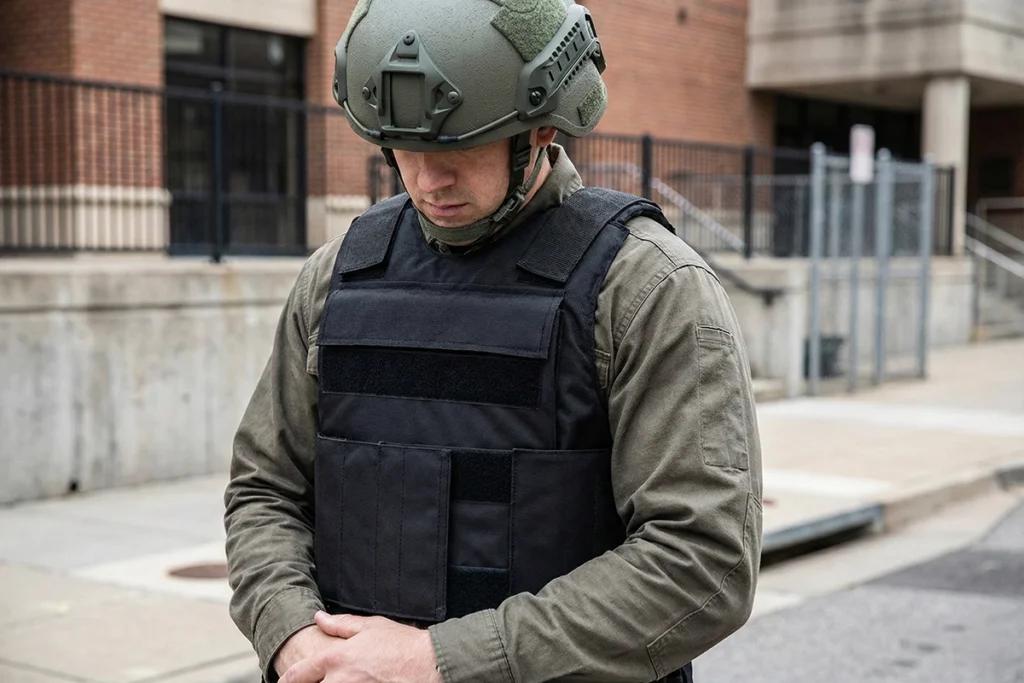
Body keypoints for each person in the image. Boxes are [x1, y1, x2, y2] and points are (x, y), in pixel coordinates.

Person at [223, 1, 763, 682]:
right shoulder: (335, 277)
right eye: (406, 148)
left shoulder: (648, 288)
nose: (428, 180)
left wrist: (437, 661)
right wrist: (296, 638)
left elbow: (704, 561)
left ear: (540, 127)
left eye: (457, 149)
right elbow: (264, 491)